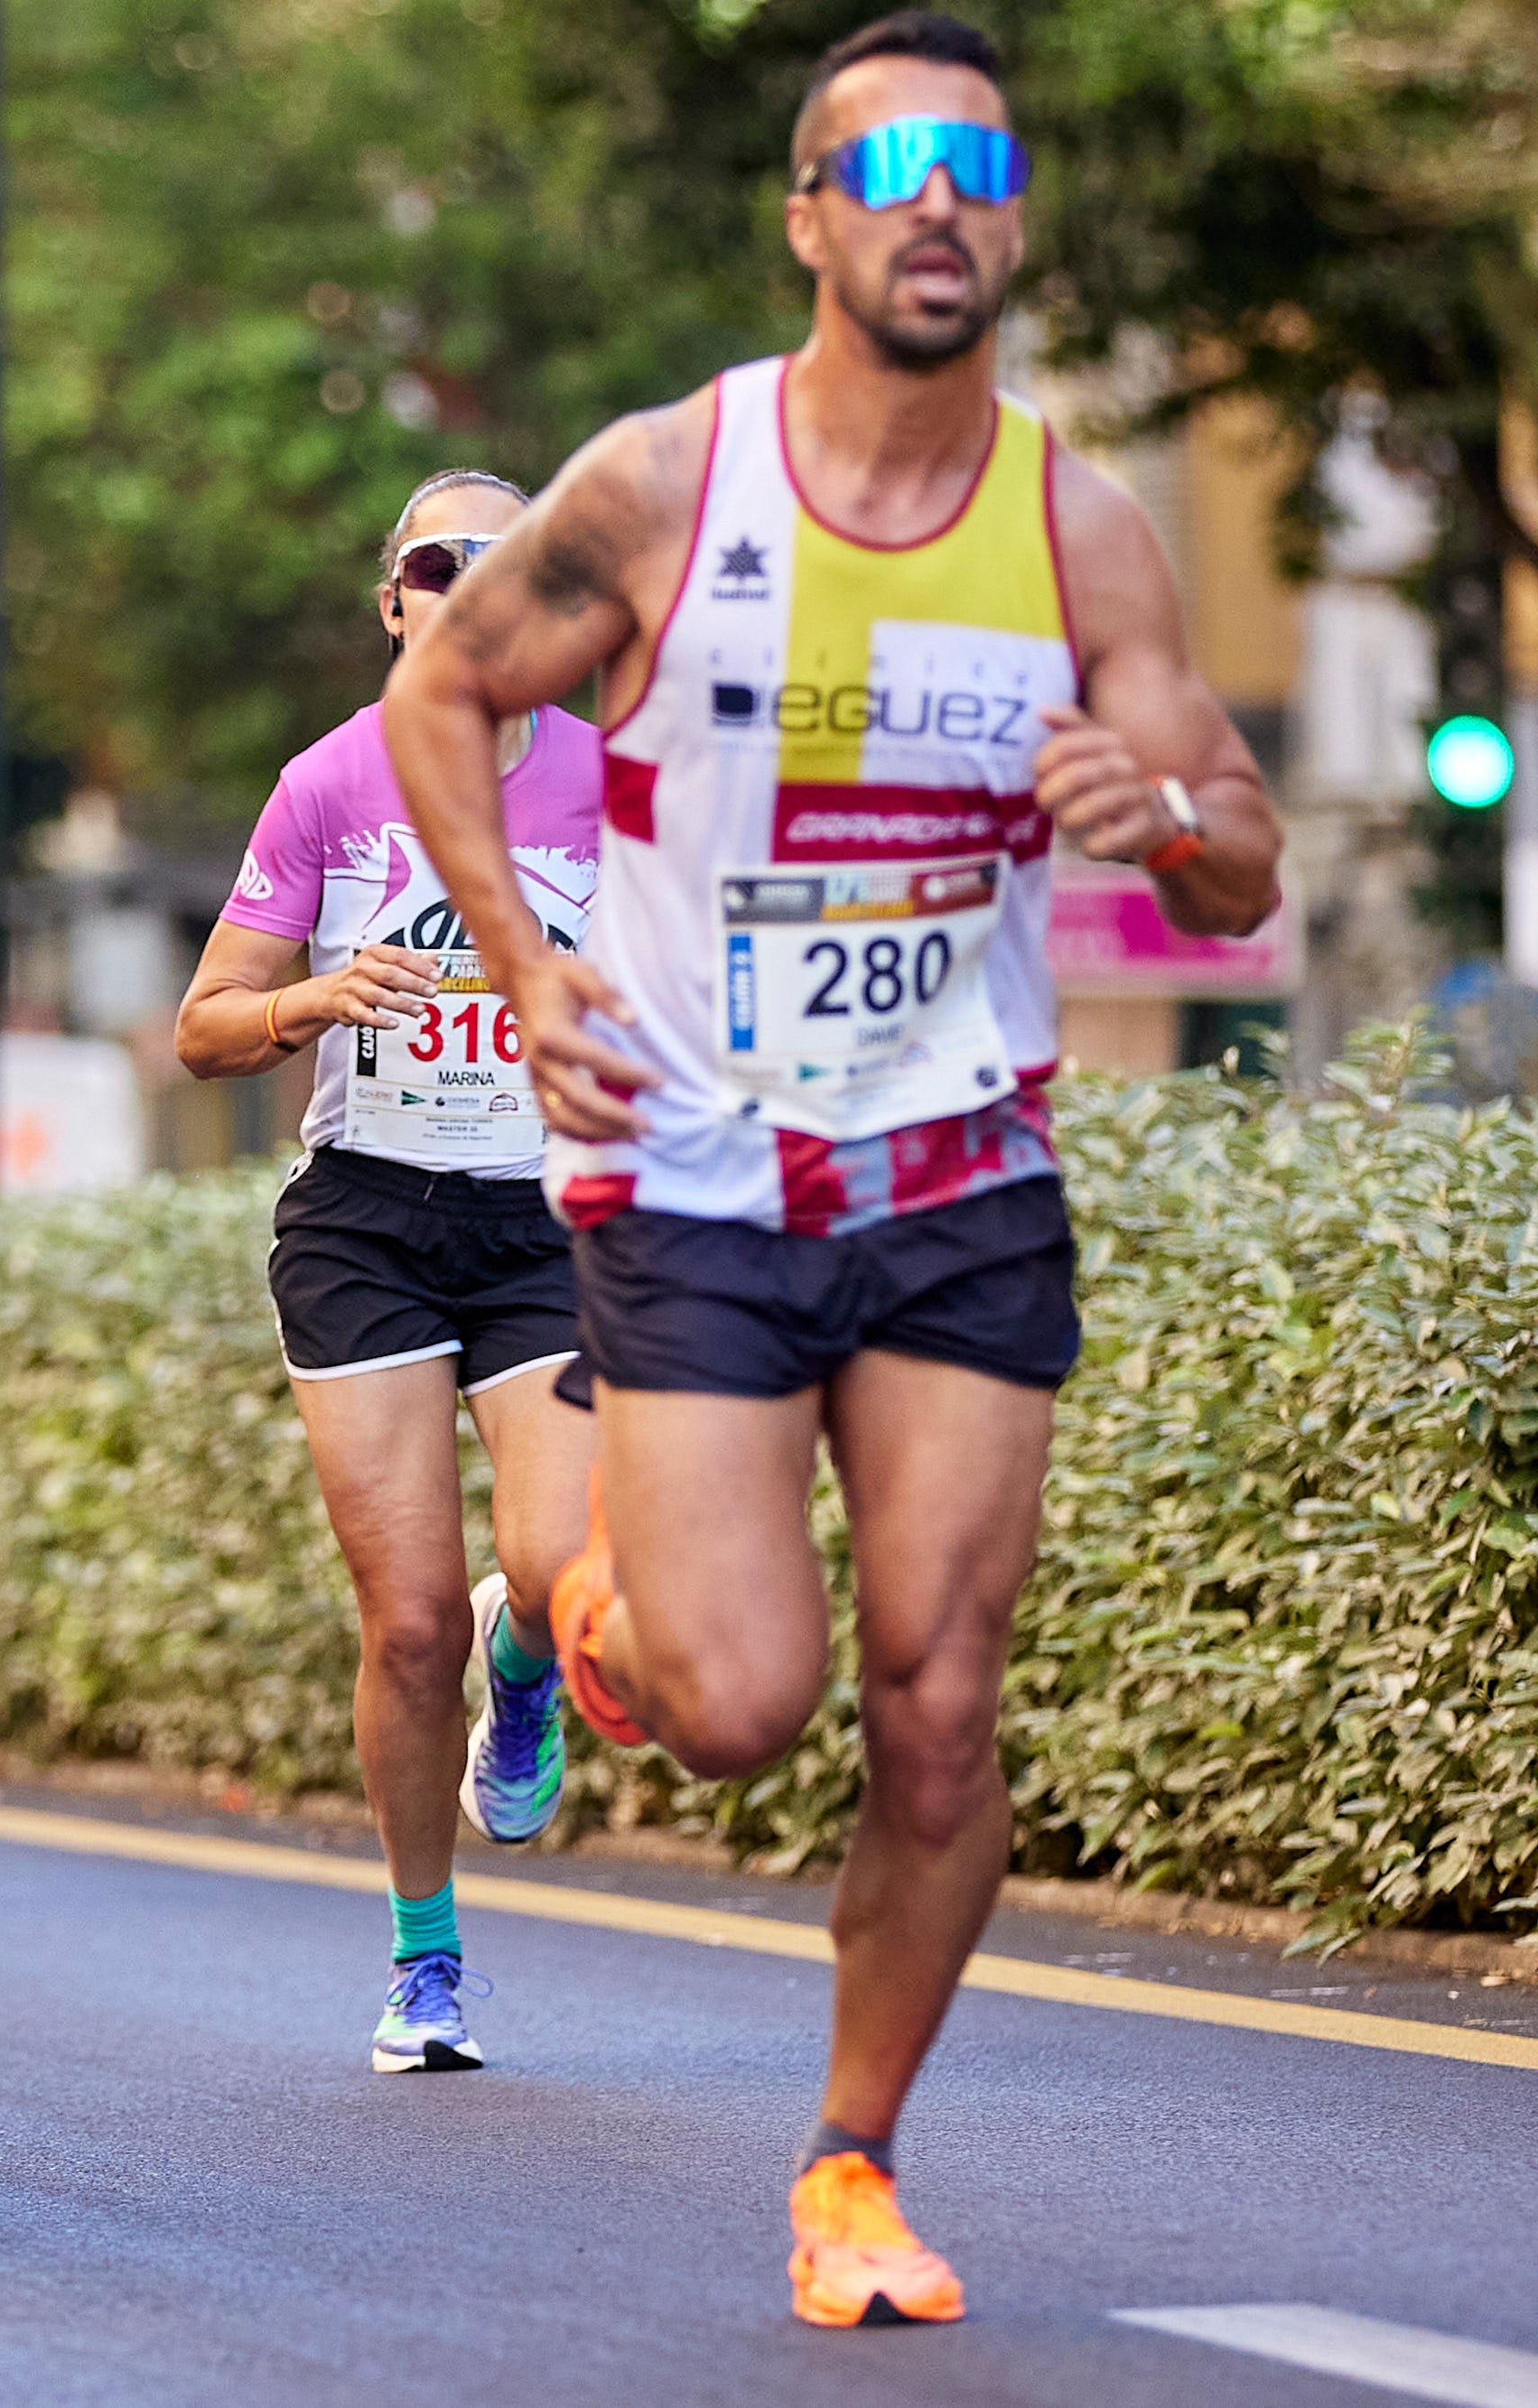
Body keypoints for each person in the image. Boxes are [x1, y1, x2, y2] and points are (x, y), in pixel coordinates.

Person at [381, 10, 1284, 2327]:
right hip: (693, 1171)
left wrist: (1162, 820)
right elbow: (439, 695)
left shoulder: (1073, 522)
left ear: (1009, 220)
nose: (934, 200)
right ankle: (573, 1623)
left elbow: (1238, 866)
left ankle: (851, 2165)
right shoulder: (676, 488)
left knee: (940, 1699)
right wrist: (521, 955)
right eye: (882, 163)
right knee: (740, 1697)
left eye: (975, 163)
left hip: (960, 1175)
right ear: (807, 219)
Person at [176, 469, 598, 2073]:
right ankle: (428, 1958)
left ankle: (532, 1657)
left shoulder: (611, 788)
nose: (475, 587)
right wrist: (313, 998)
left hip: (541, 1223)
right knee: (408, 1617)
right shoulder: (329, 785)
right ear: (396, 602)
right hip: (366, 1219)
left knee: (558, 1573)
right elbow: (204, 1026)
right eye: (442, 561)